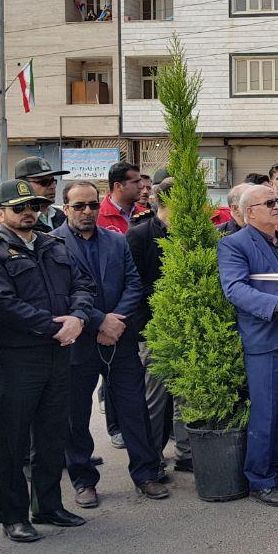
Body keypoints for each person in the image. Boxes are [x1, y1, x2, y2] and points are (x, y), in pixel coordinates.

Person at [0, 179, 95, 542]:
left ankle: (48, 505)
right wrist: (54, 327)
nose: (29, 213)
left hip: (59, 353)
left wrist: (78, 318)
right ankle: (13, 516)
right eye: (19, 208)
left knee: (52, 432)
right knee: (12, 441)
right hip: (17, 357)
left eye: (34, 206)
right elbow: (2, 303)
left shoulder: (53, 244)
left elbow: (83, 285)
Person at [52, 181, 169, 507]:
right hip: (79, 341)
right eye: (79, 206)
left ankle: (146, 474)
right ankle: (83, 479)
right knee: (76, 414)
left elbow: (134, 283)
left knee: (134, 408)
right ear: (66, 209)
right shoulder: (52, 245)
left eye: (92, 205)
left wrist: (115, 320)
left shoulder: (117, 241)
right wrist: (99, 321)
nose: (87, 211)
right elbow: (61, 294)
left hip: (121, 337)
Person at [216, 185, 278, 507]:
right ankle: (259, 479)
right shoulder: (234, 244)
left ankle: (275, 468)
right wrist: (275, 306)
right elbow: (234, 289)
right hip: (265, 339)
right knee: (266, 412)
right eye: (269, 202)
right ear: (249, 211)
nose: (277, 206)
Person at [125, 179, 188, 472]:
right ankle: (150, 458)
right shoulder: (139, 235)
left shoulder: (192, 233)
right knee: (155, 397)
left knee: (185, 395)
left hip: (187, 327)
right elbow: (134, 285)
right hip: (153, 329)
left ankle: (187, 452)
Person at [13, 157, 69, 232]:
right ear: (23, 186)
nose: (52, 187)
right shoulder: (16, 222)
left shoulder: (64, 216)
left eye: (53, 181)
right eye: (44, 182)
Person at [97, 162, 149, 234]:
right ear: (118, 186)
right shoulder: (97, 217)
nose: (141, 186)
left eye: (140, 181)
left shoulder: (146, 214)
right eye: (136, 182)